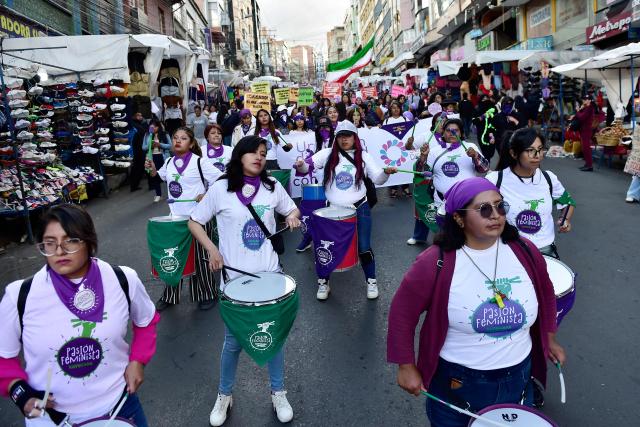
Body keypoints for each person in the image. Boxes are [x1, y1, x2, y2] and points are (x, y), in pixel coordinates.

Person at [387, 177, 566, 427]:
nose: (495, 215)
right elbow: (402, 314)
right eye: (484, 209)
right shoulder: (435, 262)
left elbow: (546, 293)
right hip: (458, 382)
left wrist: (549, 338)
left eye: (500, 206)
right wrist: (406, 365)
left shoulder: (525, 250)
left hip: (518, 375)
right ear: (459, 218)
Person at [0, 204, 159, 426]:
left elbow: (146, 322)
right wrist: (20, 394)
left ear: (89, 241)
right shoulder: (20, 295)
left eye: (71, 241)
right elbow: (3, 358)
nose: (59, 251)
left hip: (120, 406)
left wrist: (138, 360)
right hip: (52, 418)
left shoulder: (122, 279)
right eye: (50, 243)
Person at [188, 135, 301, 426]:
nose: (259, 157)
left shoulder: (272, 186)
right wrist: (212, 249)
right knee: (234, 341)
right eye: (253, 152)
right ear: (240, 155)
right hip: (234, 280)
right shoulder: (220, 188)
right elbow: (194, 221)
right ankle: (225, 394)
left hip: (270, 275)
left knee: (274, 338)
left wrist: (292, 217)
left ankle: (278, 391)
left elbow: (291, 209)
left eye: (263, 153)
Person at [294, 121, 398, 300]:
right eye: (341, 136)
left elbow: (378, 179)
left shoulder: (364, 156)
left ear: (355, 137)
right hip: (331, 211)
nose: (344, 139)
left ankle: (371, 281)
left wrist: (386, 172)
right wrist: (301, 163)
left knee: (364, 246)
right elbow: (305, 169)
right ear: (336, 138)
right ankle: (323, 283)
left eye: (348, 135)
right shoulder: (327, 154)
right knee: (324, 247)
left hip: (360, 207)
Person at [145, 127, 223, 311]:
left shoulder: (199, 162)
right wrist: (153, 170)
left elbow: (221, 179)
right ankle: (170, 296)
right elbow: (159, 176)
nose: (178, 141)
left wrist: (207, 194)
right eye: (175, 137)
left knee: (200, 258)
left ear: (191, 143)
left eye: (183, 138)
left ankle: (206, 293)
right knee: (173, 257)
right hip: (175, 218)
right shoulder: (169, 161)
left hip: (198, 218)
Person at [487, 128, 576, 258]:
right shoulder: (495, 180)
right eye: (530, 150)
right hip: (508, 251)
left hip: (545, 250)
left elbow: (568, 202)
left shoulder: (548, 178)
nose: (537, 155)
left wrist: (565, 219)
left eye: (540, 149)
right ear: (513, 153)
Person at [428, 118, 489, 209]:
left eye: (455, 130)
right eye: (448, 130)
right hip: (442, 202)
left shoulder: (470, 147)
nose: (452, 133)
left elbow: (484, 169)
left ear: (461, 133)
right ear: (443, 133)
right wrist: (422, 158)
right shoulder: (434, 151)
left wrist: (475, 156)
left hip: (468, 200)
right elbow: (423, 174)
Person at [407, 143, 436, 245]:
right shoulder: (425, 135)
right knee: (422, 210)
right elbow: (409, 146)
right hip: (425, 187)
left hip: (442, 185)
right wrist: (423, 155)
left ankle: (445, 237)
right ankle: (419, 236)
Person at [141, 119, 172, 203]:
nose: (153, 127)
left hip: (163, 157)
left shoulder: (165, 134)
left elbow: (170, 146)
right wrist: (150, 145)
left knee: (166, 175)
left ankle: (172, 193)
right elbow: (143, 147)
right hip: (152, 157)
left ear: (159, 127)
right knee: (154, 176)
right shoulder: (147, 135)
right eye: (152, 126)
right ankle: (158, 194)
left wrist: (159, 144)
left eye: (155, 126)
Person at [575, 95, 596, 171]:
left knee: (586, 148)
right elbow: (581, 115)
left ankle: (589, 165)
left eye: (586, 99)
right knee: (584, 147)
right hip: (584, 129)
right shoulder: (586, 108)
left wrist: (578, 111)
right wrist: (580, 110)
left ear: (590, 100)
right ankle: (587, 164)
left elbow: (581, 117)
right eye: (584, 99)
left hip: (586, 130)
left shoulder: (589, 108)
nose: (584, 100)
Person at [129, 111, 147, 192]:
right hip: (137, 150)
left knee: (136, 168)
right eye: (139, 115)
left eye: (141, 115)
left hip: (137, 149)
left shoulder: (137, 125)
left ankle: (134, 184)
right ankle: (134, 185)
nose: (141, 117)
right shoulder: (136, 126)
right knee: (137, 167)